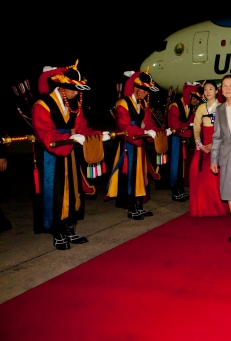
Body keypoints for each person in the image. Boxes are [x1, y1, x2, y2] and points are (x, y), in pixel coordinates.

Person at [32, 62, 109, 249]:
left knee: (74, 191)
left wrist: (96, 135)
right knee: (56, 192)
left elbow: (82, 127)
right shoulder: (42, 105)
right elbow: (44, 132)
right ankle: (57, 231)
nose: (76, 92)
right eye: (73, 89)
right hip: (52, 154)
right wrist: (67, 137)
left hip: (70, 152)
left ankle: (70, 229)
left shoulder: (75, 104)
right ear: (62, 86)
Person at [105, 69, 166, 220]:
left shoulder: (143, 104)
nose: (145, 92)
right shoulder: (123, 103)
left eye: (147, 90)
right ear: (136, 87)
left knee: (141, 176)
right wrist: (142, 131)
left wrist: (158, 132)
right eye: (143, 89)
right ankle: (131, 207)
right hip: (128, 145)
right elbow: (123, 125)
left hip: (139, 143)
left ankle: (139, 205)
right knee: (131, 175)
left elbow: (149, 122)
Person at [189, 80, 229, 217]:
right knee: (198, 173)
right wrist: (200, 145)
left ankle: (219, 207)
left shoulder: (222, 107)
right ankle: (202, 208)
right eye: (205, 90)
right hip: (203, 146)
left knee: (216, 178)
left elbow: (225, 129)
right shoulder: (200, 108)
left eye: (211, 89)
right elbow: (196, 128)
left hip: (218, 145)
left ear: (217, 91)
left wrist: (214, 145)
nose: (207, 92)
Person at [210, 75, 231, 241]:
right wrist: (214, 159)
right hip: (226, 156)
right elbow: (217, 137)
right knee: (230, 193)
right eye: (224, 85)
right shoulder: (219, 110)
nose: (227, 88)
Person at [167, 82, 201, 202]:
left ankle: (180, 189)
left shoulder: (190, 107)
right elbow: (174, 125)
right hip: (174, 138)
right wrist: (187, 127)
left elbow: (189, 122)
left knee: (182, 164)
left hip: (182, 138)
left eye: (198, 99)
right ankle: (175, 190)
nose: (196, 101)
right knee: (175, 165)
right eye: (195, 98)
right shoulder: (175, 106)